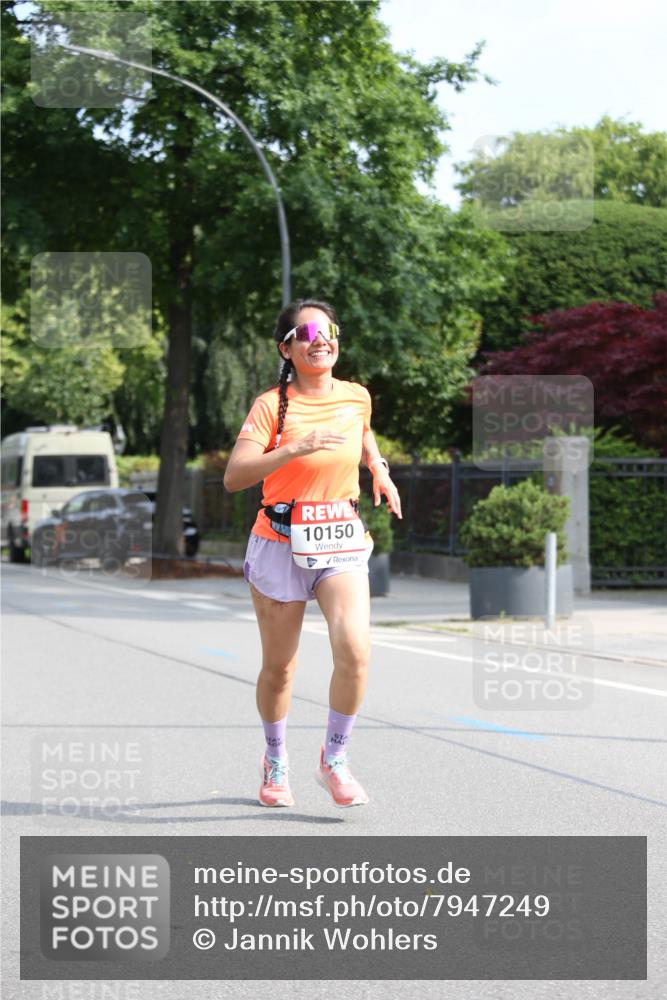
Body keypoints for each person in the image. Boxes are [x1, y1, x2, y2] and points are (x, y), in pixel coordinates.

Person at [223, 298, 402, 808]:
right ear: (287, 348)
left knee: (355, 649)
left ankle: (335, 758)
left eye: (329, 330)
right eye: (308, 332)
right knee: (280, 668)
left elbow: (363, 433)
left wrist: (379, 468)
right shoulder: (269, 406)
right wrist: (295, 448)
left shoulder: (356, 396)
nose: (321, 338)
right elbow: (235, 477)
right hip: (279, 538)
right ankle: (275, 760)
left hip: (338, 535)